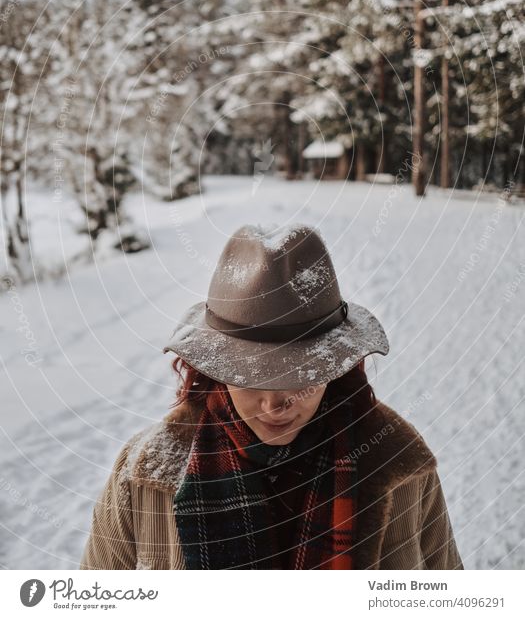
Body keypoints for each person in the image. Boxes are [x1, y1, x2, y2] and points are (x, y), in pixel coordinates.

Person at [80, 223, 463, 570]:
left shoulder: (399, 463)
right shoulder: (142, 475)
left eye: (298, 376)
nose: (273, 404)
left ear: (336, 367)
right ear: (214, 371)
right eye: (247, 376)